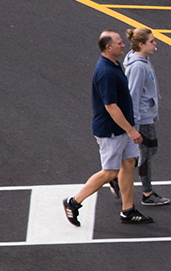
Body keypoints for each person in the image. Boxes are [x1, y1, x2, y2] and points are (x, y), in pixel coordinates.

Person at [63, 30, 153, 226]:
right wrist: (131, 130)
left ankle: (128, 210)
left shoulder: (114, 64)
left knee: (129, 163)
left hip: (122, 128)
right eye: (119, 43)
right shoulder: (105, 73)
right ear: (108, 48)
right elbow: (110, 106)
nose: (123, 45)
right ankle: (73, 202)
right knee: (110, 172)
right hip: (112, 131)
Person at [123, 27, 171, 206]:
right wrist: (134, 124)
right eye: (152, 41)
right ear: (141, 44)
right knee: (147, 153)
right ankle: (147, 192)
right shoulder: (138, 67)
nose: (155, 43)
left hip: (147, 114)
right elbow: (133, 95)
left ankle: (116, 175)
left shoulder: (143, 60)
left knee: (148, 151)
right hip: (142, 118)